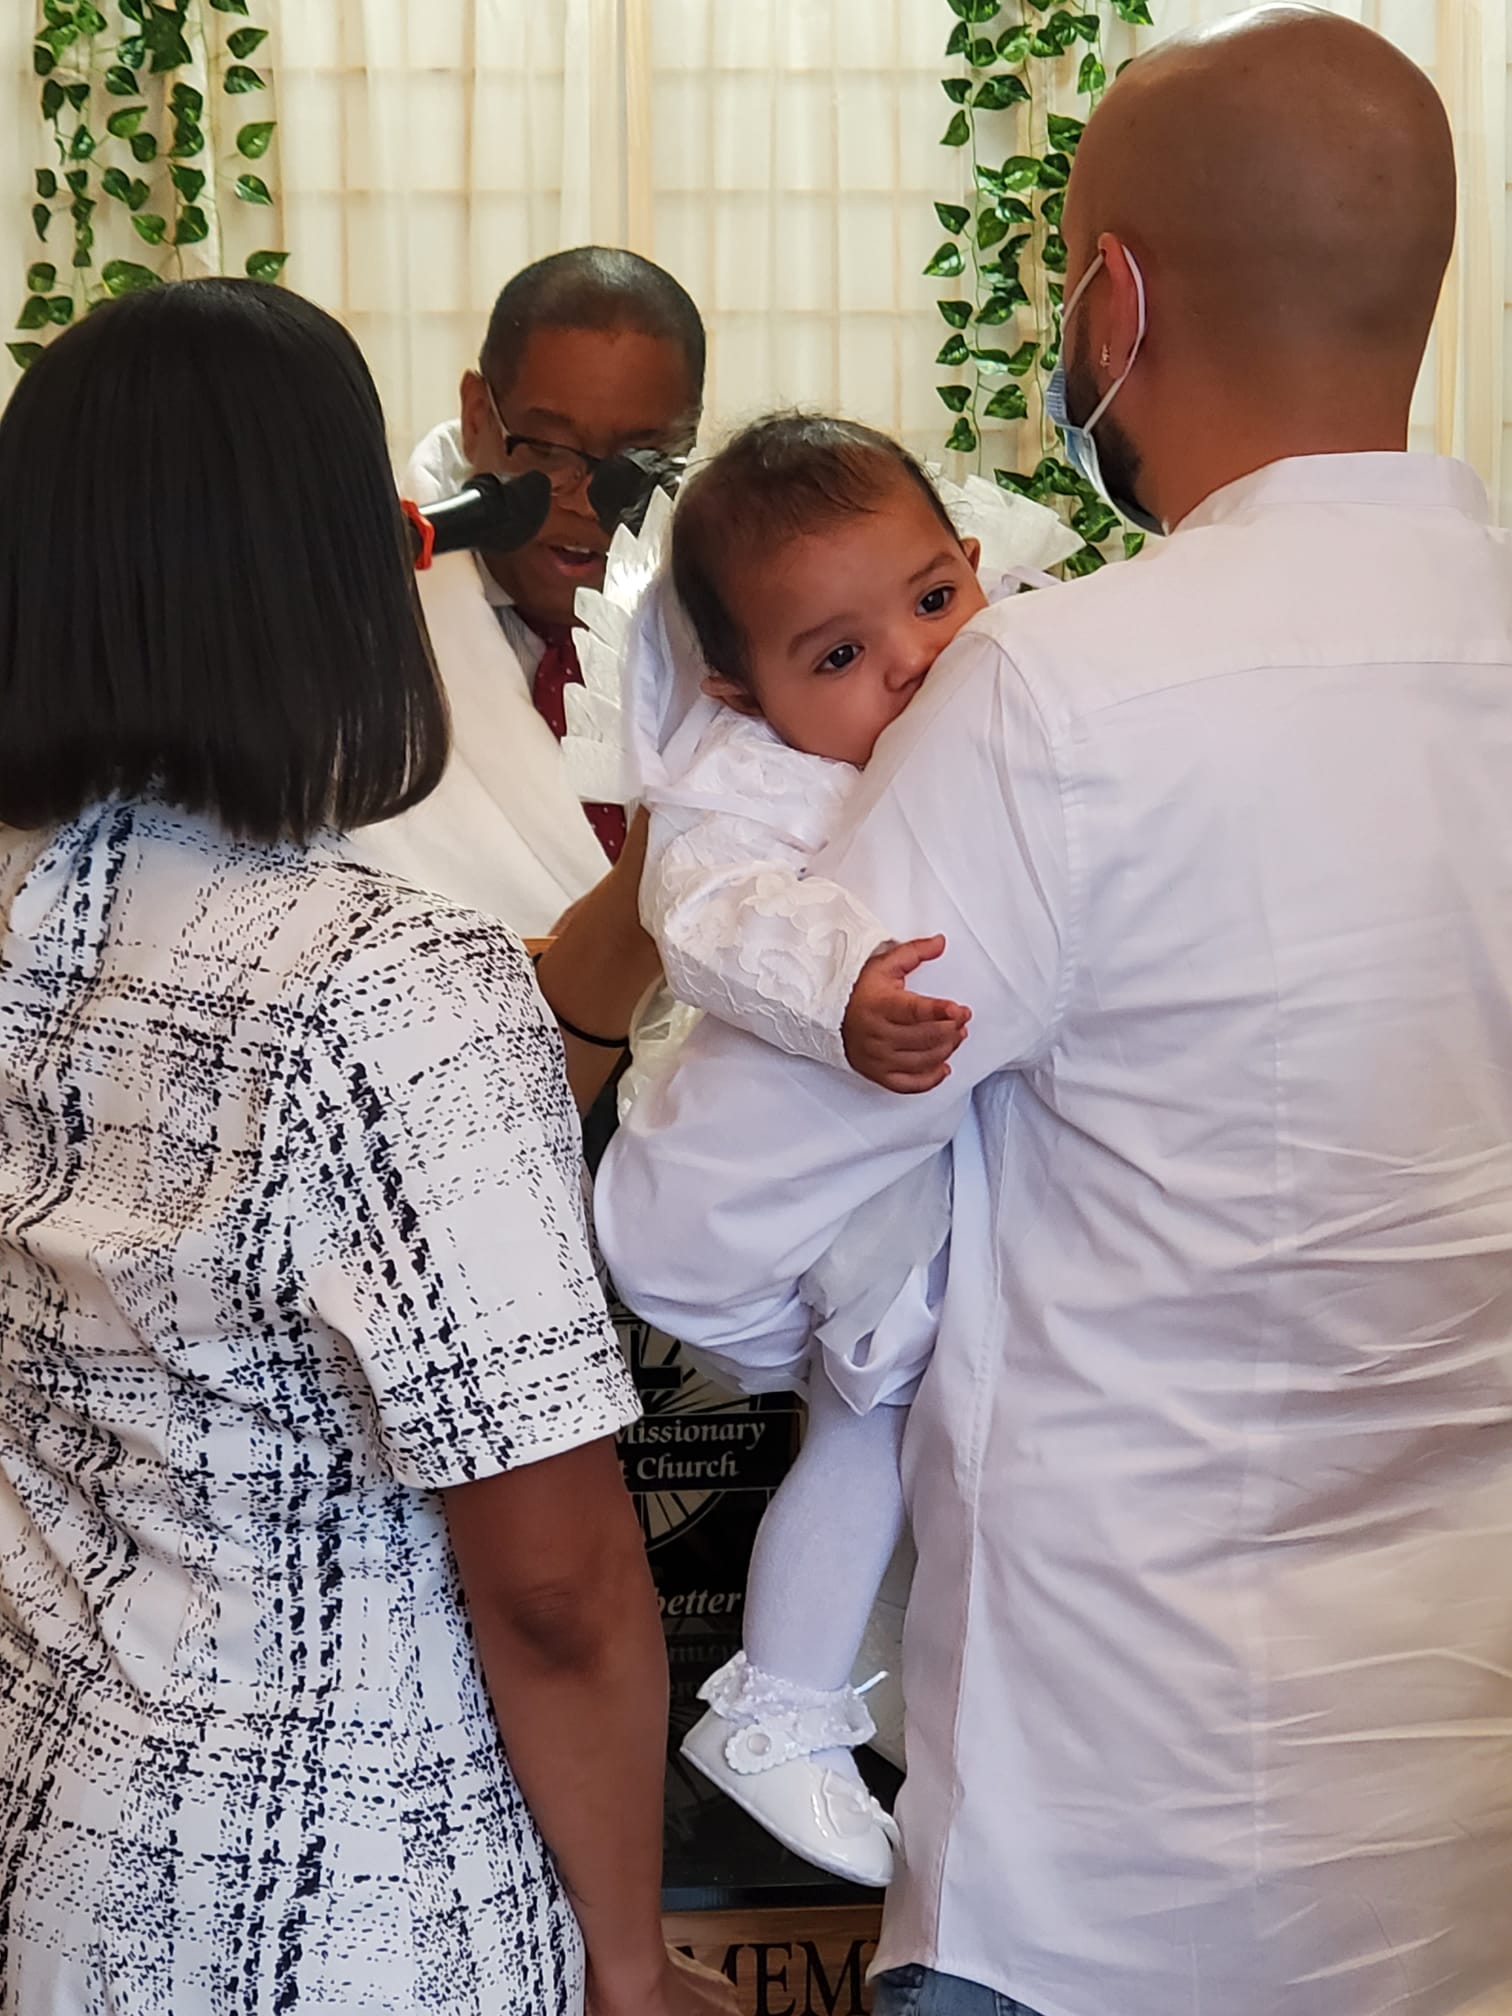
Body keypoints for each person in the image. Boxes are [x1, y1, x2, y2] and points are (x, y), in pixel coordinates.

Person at [597, 11, 1512, 2015]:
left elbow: (691, 1229)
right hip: (1463, 1835)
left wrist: (865, 1328)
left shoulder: (1060, 697)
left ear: (1114, 295)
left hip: (1107, 1852)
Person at [0, 278, 702, 2016]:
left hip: (60, 1823)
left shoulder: (25, 917)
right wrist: (626, 1956)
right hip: (352, 1892)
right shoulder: (387, 985)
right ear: (331, 580)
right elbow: (551, 1583)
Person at [578, 414, 1076, 1887]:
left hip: (873, 1186)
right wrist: (842, 987)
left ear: (975, 566)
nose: (909, 662)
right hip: (743, 1204)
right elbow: (716, 918)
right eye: (837, 657)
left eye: (932, 601)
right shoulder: (748, 785)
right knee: (890, 1398)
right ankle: (779, 1707)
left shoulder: (1002, 713)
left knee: (895, 1418)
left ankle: (839, 1707)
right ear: (741, 688)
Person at [349, 246, 705, 936]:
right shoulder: (354, 615)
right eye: (545, 451)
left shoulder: (726, 606)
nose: (585, 503)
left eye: (638, 464)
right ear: (478, 413)